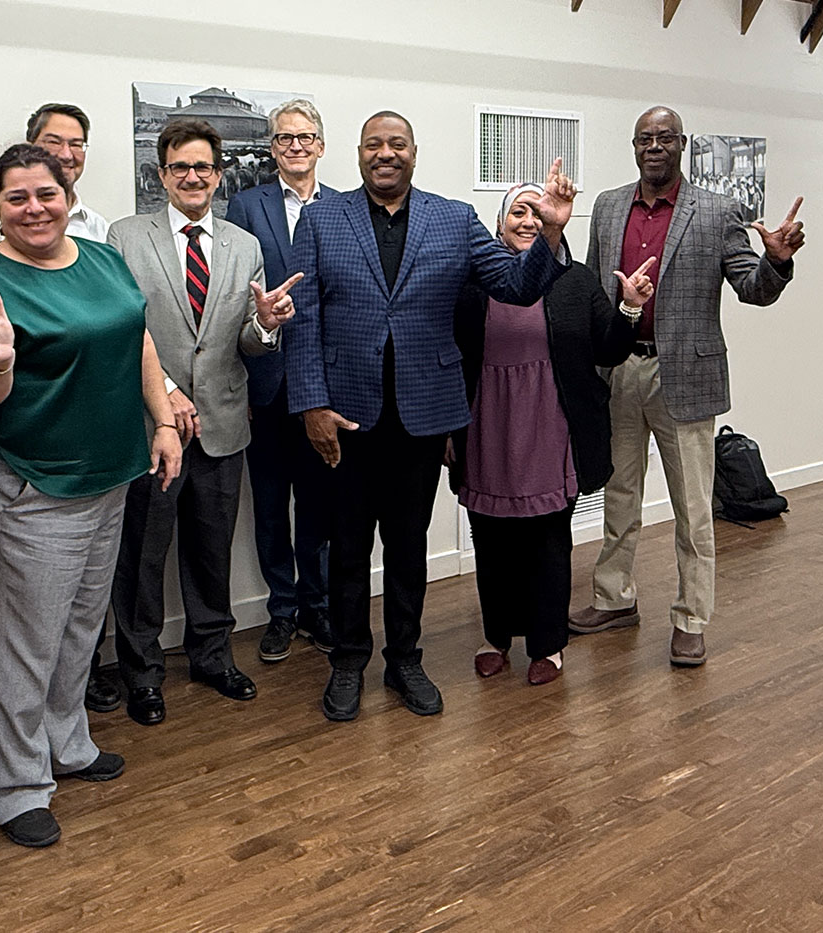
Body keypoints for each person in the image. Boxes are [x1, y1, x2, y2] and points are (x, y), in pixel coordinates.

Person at [284, 111, 576, 722]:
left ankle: (405, 661)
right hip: (346, 417)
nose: (384, 153)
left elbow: (515, 287)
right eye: (373, 144)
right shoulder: (321, 218)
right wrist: (311, 403)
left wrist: (548, 235)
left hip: (422, 417)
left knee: (408, 546)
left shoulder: (453, 218)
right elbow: (304, 316)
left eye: (397, 144)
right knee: (345, 550)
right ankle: (346, 662)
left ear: (414, 153)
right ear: (358, 153)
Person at [0, 144, 182, 847]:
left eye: (45, 193)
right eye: (17, 197)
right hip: (32, 481)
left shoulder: (100, 256)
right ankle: (12, 785)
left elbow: (136, 336)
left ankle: (67, 741)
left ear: (67, 194)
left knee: (83, 626)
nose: (34, 208)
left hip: (110, 472)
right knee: (23, 640)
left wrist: (165, 418)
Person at [567, 106, 804, 666]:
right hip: (620, 371)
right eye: (645, 138)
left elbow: (753, 288)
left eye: (665, 137)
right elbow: (600, 296)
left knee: (693, 508)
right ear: (633, 145)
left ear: (682, 145)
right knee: (619, 495)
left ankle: (692, 616)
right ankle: (614, 598)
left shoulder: (718, 211)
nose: (655, 146)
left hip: (687, 378)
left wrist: (775, 262)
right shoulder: (607, 207)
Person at [107, 119, 299, 727]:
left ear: (219, 175)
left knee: (212, 552)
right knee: (143, 558)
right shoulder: (125, 237)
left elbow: (246, 340)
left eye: (204, 167)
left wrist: (266, 323)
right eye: (179, 167)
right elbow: (120, 330)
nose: (193, 177)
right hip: (151, 426)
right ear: (162, 175)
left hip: (222, 424)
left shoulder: (245, 245)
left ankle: (213, 656)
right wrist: (164, 391)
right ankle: (141, 675)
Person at [449, 184, 650, 686]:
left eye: (537, 213)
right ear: (498, 225)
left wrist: (629, 309)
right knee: (491, 541)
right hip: (486, 424)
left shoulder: (577, 281)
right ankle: (495, 636)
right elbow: (450, 358)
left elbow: (608, 350)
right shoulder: (471, 283)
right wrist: (447, 431)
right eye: (517, 212)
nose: (527, 221)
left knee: (547, 542)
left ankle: (547, 644)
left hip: (551, 426)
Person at [225, 99, 337, 663]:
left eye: (306, 136)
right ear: (272, 149)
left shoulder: (346, 206)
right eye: (285, 138)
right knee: (270, 507)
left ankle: (318, 606)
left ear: (321, 145)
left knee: (319, 505)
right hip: (265, 382)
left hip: (325, 388)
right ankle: (282, 611)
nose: (296, 146)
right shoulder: (247, 206)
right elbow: (230, 298)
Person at [0, 102, 109, 271]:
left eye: (76, 144)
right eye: (54, 142)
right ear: (30, 146)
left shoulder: (97, 225)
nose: (66, 155)